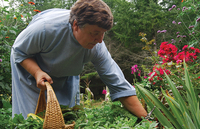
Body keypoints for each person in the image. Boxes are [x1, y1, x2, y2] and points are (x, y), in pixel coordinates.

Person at [11, 0, 147, 119]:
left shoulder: (97, 47)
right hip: (30, 70)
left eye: (103, 34)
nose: (100, 40)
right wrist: (36, 72)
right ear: (76, 25)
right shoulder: (45, 28)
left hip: (66, 73)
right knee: (33, 117)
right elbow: (19, 51)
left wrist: (148, 120)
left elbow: (118, 84)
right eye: (94, 33)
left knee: (67, 116)